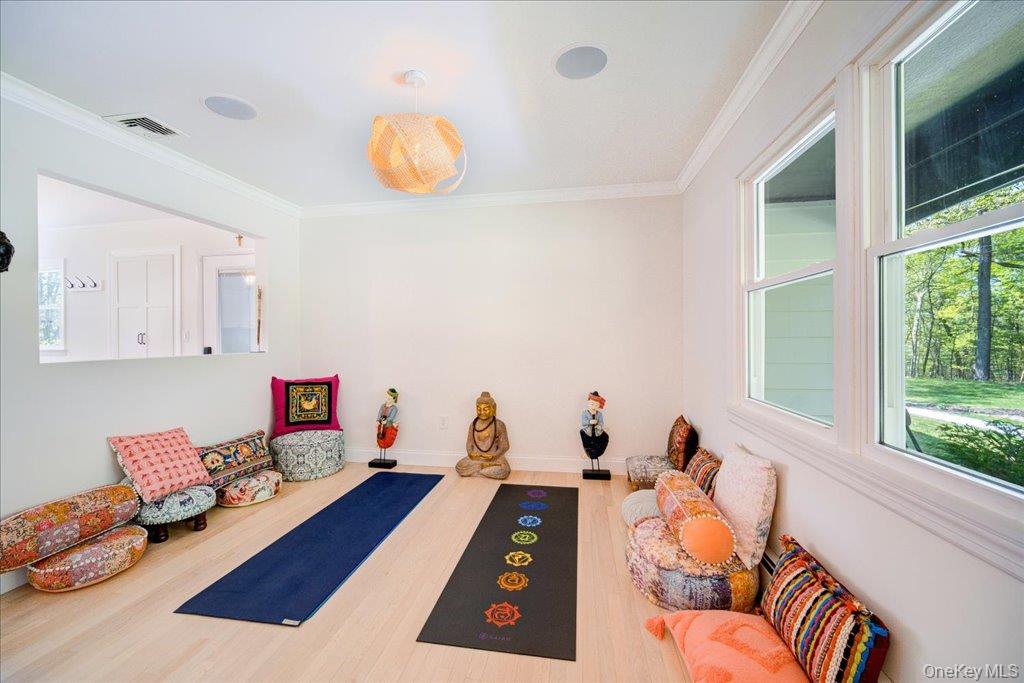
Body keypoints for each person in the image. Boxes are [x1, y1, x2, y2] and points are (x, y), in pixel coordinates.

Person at [456, 391, 511, 479]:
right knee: (460, 466)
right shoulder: (473, 424)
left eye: (485, 409)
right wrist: (470, 453)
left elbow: (505, 446)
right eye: (479, 409)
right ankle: (484, 470)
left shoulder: (499, 425)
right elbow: (469, 443)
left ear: (493, 408)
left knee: (504, 470)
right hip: (477, 458)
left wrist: (494, 456)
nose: (482, 412)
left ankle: (479, 471)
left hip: (494, 458)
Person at [375, 388, 400, 458]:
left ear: (393, 399)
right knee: (380, 436)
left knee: (387, 437)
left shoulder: (394, 408)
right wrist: (378, 420)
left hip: (388, 425)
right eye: (386, 397)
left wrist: (386, 421)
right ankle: (380, 444)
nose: (387, 399)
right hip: (381, 424)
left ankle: (385, 445)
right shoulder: (382, 406)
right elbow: (379, 414)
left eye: (389, 398)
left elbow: (391, 417)